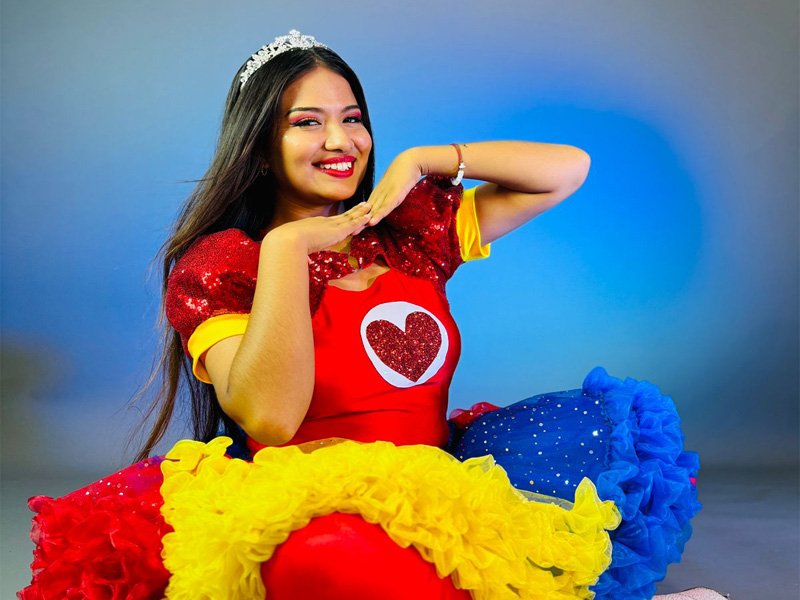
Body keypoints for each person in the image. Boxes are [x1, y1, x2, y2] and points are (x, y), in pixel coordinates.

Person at [20, 30, 713, 600]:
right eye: (307, 122)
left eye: (352, 118)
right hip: (308, 498)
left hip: (435, 477)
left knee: (600, 439)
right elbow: (270, 419)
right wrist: (289, 249)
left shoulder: (408, 235)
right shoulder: (226, 264)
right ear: (259, 149)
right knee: (332, 559)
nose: (339, 140)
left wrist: (428, 159)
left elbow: (567, 169)